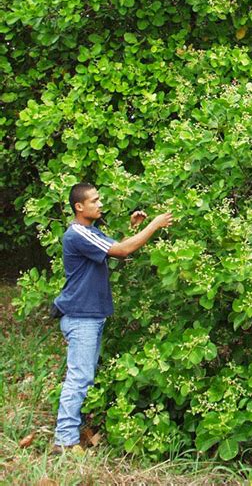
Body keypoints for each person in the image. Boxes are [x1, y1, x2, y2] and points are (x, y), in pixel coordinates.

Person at [51, 182, 173, 453]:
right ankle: (64, 440)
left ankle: (71, 433)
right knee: (79, 377)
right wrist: (153, 225)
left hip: (89, 316)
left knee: (84, 376)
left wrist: (133, 230)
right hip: (80, 317)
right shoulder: (78, 233)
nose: (100, 204)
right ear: (79, 207)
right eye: (94, 201)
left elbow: (114, 250)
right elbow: (121, 251)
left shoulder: (90, 232)